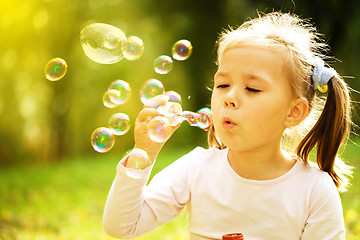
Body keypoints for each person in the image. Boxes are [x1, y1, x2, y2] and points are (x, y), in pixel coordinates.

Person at [103, 12, 353, 239]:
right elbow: (122, 226)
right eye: (222, 85)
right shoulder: (197, 169)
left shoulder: (313, 190)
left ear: (293, 112)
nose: (229, 97)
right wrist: (144, 154)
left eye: (252, 88)